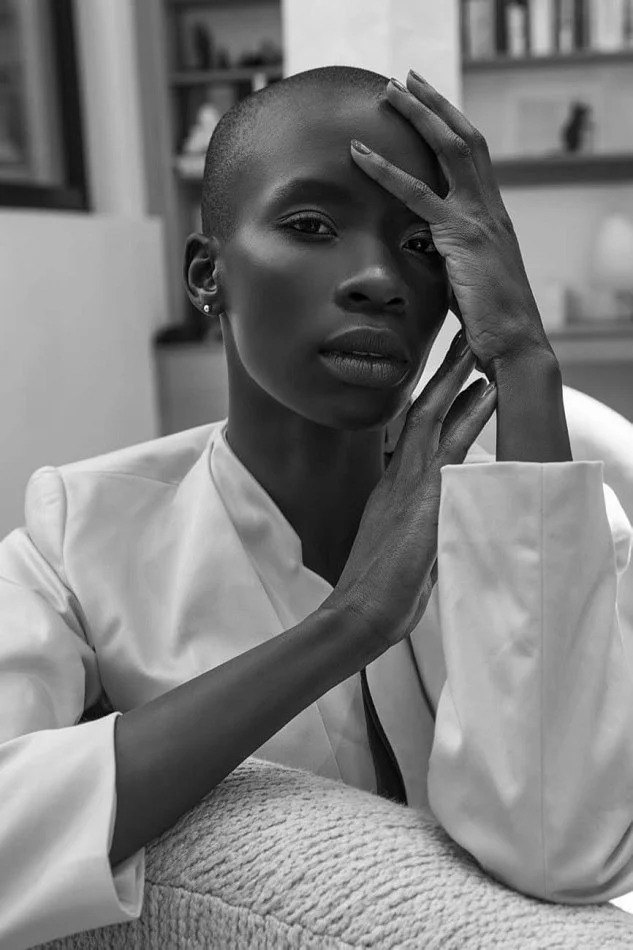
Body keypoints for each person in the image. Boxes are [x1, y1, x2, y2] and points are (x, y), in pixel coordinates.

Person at [1, 65, 632, 949]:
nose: (378, 278)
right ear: (207, 275)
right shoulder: (80, 534)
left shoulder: (552, 514)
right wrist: (348, 625)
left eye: (421, 244)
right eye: (310, 226)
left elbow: (565, 855)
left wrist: (524, 357)